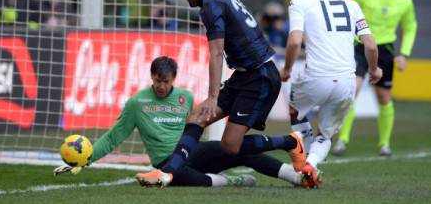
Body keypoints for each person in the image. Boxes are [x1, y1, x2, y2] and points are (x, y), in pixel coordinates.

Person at [135, 0, 310, 188]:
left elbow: (216, 53)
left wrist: (212, 96)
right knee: (196, 118)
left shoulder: (210, 7)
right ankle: (167, 173)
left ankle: (289, 142)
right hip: (245, 74)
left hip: (260, 76)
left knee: (230, 146)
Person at [54, 56, 313, 188]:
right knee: (174, 174)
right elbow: (113, 137)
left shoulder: (185, 98)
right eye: (157, 80)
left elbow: (197, 129)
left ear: (174, 79)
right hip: (167, 162)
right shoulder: (137, 103)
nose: (162, 86)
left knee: (235, 148)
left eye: (166, 81)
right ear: (151, 77)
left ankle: (295, 176)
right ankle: (229, 182)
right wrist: (86, 159)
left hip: (193, 153)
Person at [279, 0, 382, 179]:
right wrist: (374, 70)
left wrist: (287, 69)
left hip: (315, 77)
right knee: (326, 134)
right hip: (347, 82)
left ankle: (301, 155)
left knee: (295, 111)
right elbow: (371, 45)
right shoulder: (351, 4)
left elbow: (295, 41)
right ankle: (311, 164)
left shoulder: (300, 3)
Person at [332, 0, 417, 157]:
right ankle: (342, 140)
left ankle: (384, 144)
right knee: (352, 91)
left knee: (384, 98)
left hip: (385, 50)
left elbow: (410, 27)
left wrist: (404, 54)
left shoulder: (405, 1)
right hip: (361, 46)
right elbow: (350, 15)